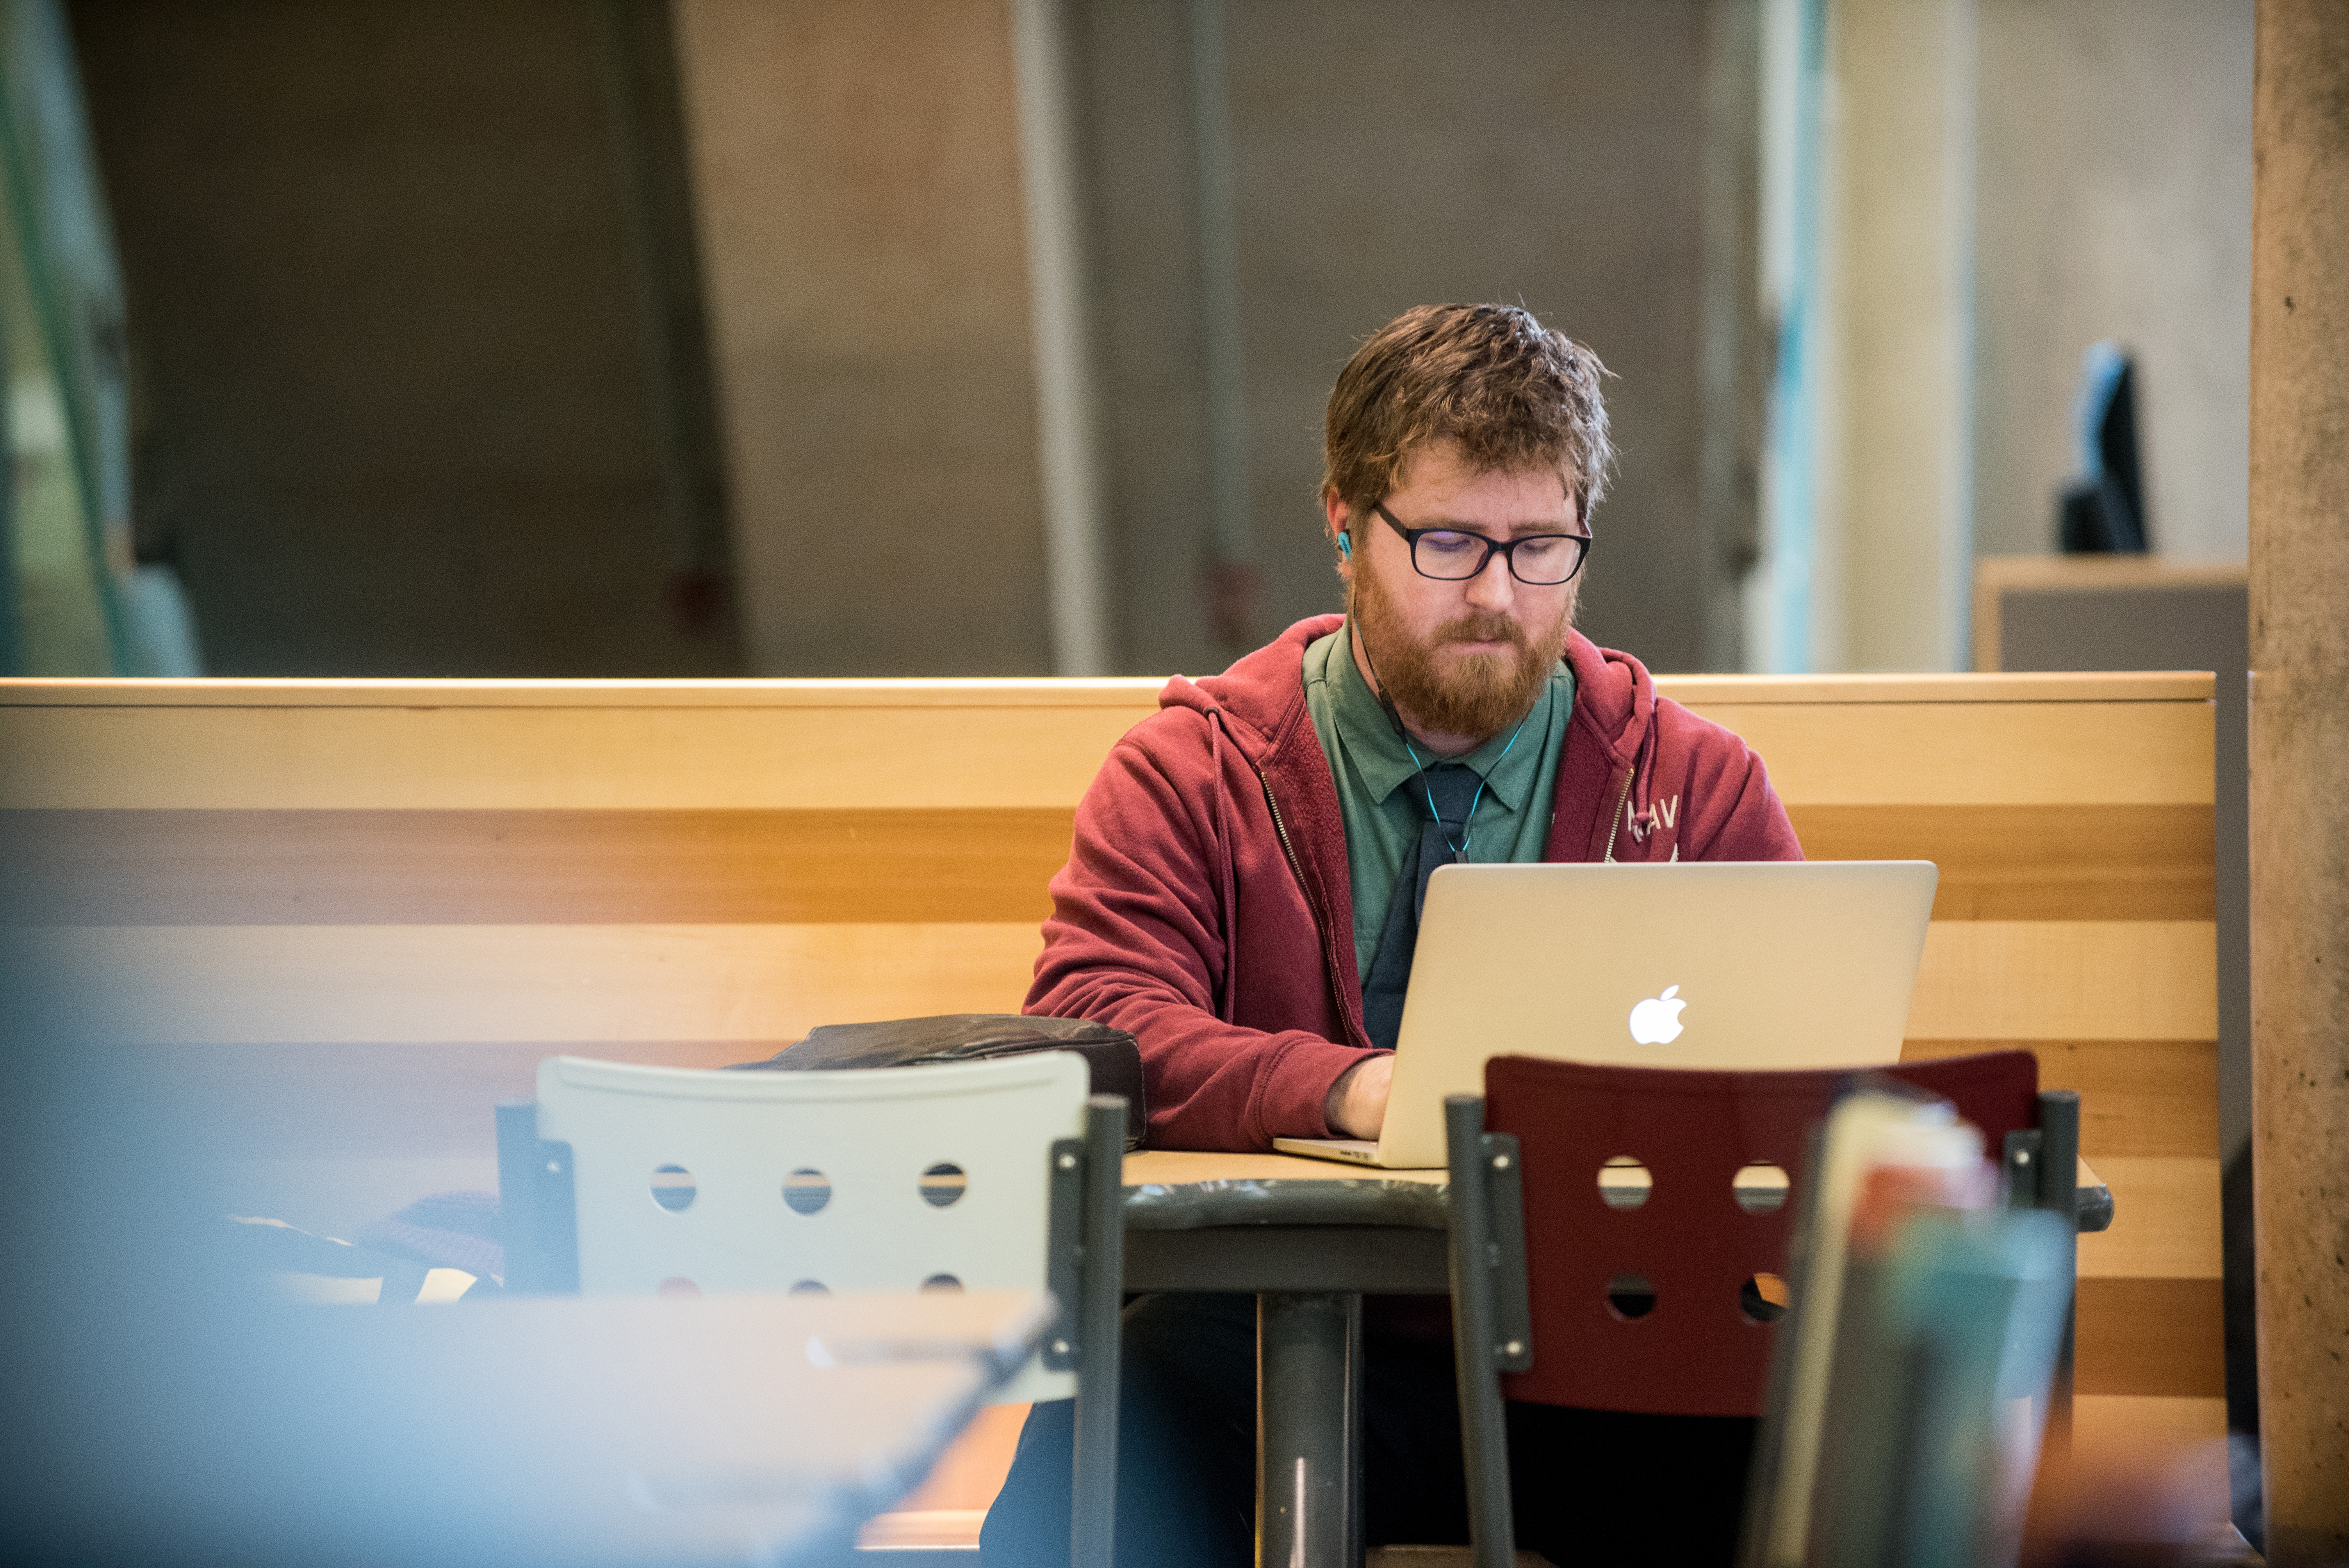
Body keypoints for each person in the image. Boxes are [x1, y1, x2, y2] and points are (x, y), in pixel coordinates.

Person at [980, 303, 1802, 1567]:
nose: (1494, 597)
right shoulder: (1193, 772)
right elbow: (1096, 1019)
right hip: (1265, 1332)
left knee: (1805, 1436)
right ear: (1344, 523)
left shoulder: (1696, 787)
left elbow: (1792, 1078)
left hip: (1608, 1331)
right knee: (1105, 1434)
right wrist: (1355, 1091)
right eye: (1449, 543)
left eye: (1540, 548)